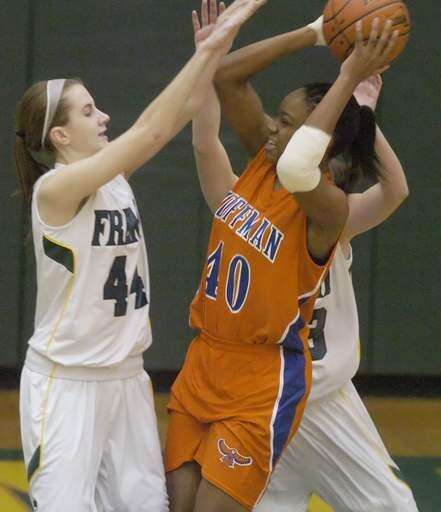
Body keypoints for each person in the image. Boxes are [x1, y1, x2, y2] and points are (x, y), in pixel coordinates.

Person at [14, 1, 266, 510]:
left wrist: (209, 55)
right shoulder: (55, 190)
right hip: (67, 385)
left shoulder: (115, 179)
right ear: (60, 136)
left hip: (127, 379)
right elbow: (150, 128)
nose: (103, 116)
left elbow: (182, 112)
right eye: (89, 111)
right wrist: (211, 50)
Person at [164, 5, 400, 511]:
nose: (272, 126)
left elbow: (307, 167)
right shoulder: (262, 161)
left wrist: (351, 82)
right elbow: (228, 76)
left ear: (319, 135)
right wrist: (315, 33)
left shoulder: (328, 207)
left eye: (287, 121)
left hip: (262, 375)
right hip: (206, 359)